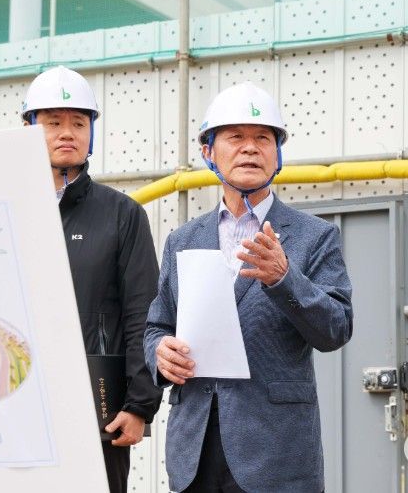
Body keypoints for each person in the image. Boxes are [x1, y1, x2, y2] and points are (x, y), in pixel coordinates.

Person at [143, 81, 353, 492]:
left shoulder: (315, 236)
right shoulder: (183, 239)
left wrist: (284, 278)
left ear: (278, 154)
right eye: (236, 137)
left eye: (263, 138)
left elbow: (336, 329)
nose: (250, 149)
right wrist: (159, 353)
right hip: (194, 451)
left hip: (276, 454)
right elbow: (157, 326)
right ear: (208, 152)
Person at [21, 66, 163, 492]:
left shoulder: (122, 214)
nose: (67, 133)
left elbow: (144, 313)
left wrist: (139, 405)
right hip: (21, 405)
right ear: (28, 129)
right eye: (53, 123)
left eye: (79, 123)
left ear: (92, 133)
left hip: (97, 408)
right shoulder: (8, 206)